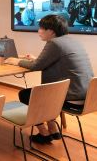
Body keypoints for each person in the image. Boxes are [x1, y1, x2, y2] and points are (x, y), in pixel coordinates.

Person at [5, 14, 94, 144]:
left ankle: (44, 133)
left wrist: (16, 61)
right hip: (87, 95)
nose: (38, 31)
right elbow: (59, 62)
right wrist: (37, 59)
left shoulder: (54, 43)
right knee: (43, 94)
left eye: (41, 28)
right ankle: (53, 129)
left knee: (25, 94)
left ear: (51, 31)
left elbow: (36, 66)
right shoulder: (72, 40)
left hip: (72, 97)